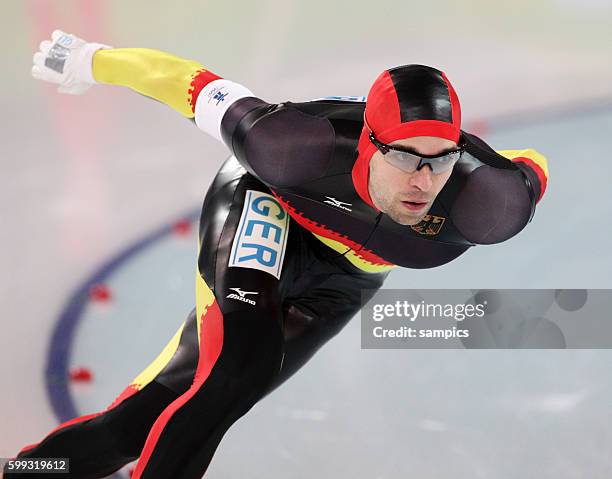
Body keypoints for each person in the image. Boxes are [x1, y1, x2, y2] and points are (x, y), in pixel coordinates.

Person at [5, 29, 548, 478]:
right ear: (367, 143)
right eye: (404, 158)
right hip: (268, 208)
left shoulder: (488, 205)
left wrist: (487, 163)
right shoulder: (292, 146)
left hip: (349, 277)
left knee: (136, 425)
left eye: (442, 159)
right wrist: (91, 60)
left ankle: (25, 472)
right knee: (237, 372)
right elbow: (190, 85)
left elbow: (528, 162)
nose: (424, 181)